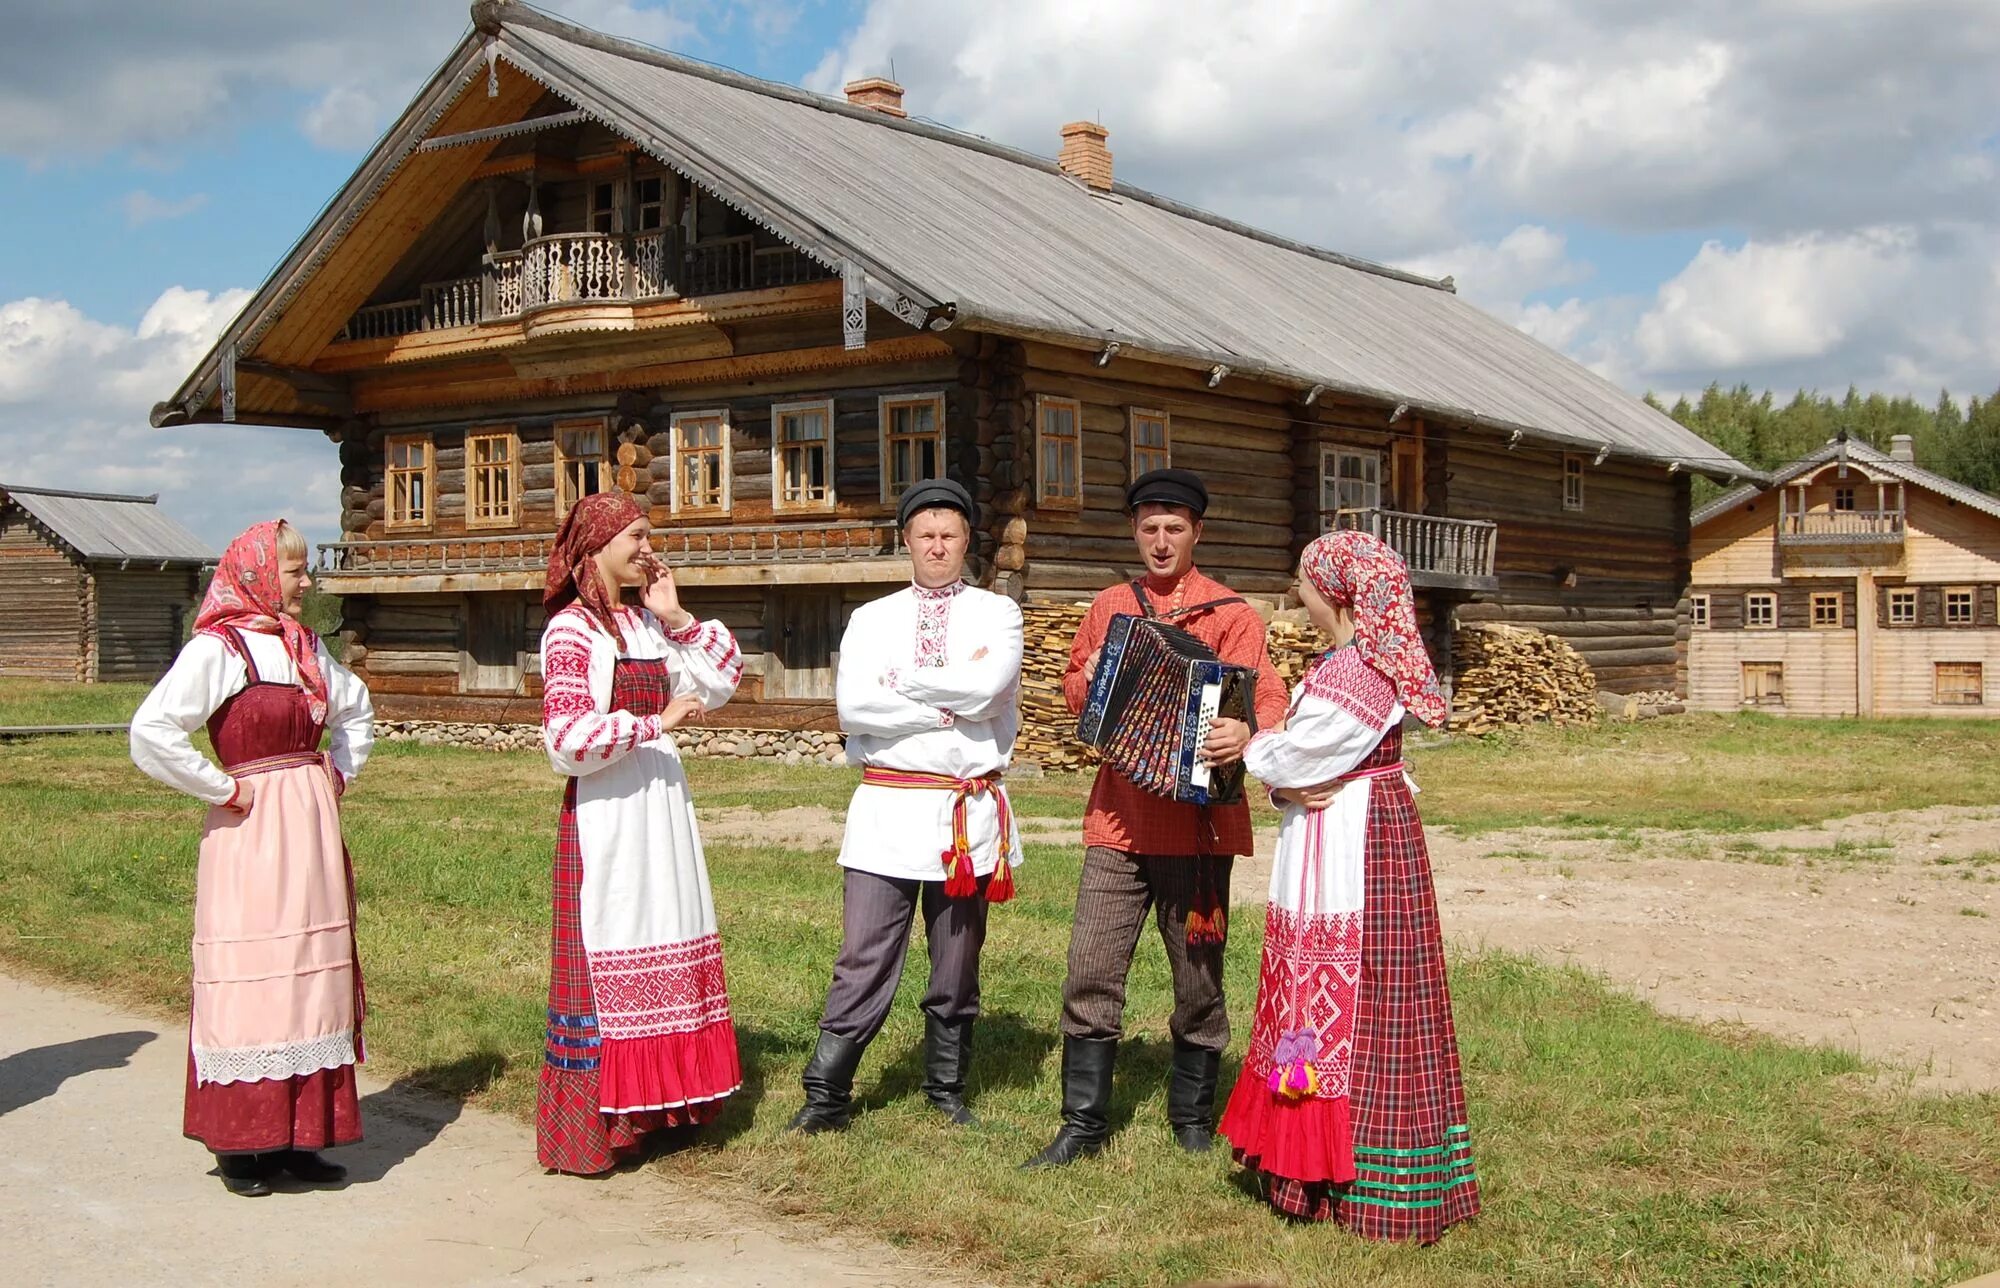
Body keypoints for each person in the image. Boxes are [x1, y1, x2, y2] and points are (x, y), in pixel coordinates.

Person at [1218, 529, 1480, 1241]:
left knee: (1368, 993)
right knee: (1321, 986)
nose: (1295, 592)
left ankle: (1370, 1181)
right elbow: (1305, 772)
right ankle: (1308, 1173)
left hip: (1358, 848)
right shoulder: (1340, 663)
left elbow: (1305, 750)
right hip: (1336, 832)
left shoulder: (1358, 673)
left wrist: (1254, 749)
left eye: (1303, 579)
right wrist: (1286, 784)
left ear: (1331, 592)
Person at [1023, 468, 1288, 1168]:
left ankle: (1192, 1117)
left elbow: (1269, 704)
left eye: (1175, 529)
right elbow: (1076, 679)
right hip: (1120, 821)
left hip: (1201, 831)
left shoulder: (1232, 614)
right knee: (1090, 965)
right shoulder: (1113, 604)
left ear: (1197, 533)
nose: (1161, 542)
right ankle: (1082, 1123)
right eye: (1149, 529)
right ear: (1135, 532)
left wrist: (1244, 734)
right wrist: (1106, 678)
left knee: (1198, 975)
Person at [130, 519, 374, 1197]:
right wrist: (223, 786)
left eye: (304, 570)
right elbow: (150, 732)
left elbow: (356, 712)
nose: (306, 582)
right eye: (294, 571)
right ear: (261, 574)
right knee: (257, 969)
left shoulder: (305, 647)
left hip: (309, 826)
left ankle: (303, 1136)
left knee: (307, 973)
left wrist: (337, 776)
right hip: (252, 830)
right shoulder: (220, 649)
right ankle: (244, 1143)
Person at [788, 478, 1024, 1134]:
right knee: (863, 953)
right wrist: (949, 702)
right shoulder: (872, 619)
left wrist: (905, 686)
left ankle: (945, 1089)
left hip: (963, 814)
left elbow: (986, 693)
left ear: (967, 540)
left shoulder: (998, 615)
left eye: (950, 535)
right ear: (907, 541)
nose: (939, 547)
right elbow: (854, 708)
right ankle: (826, 1097)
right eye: (926, 535)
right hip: (887, 810)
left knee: (956, 960)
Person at [536, 491, 744, 1175]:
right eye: (636, 536)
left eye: (649, 536)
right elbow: (566, 740)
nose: (648, 548)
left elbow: (722, 681)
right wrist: (654, 725)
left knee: (667, 936)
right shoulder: (573, 632)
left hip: (660, 809)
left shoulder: (647, 627)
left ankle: (664, 1110)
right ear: (596, 548)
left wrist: (676, 614)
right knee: (617, 937)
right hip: (612, 814)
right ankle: (603, 1124)